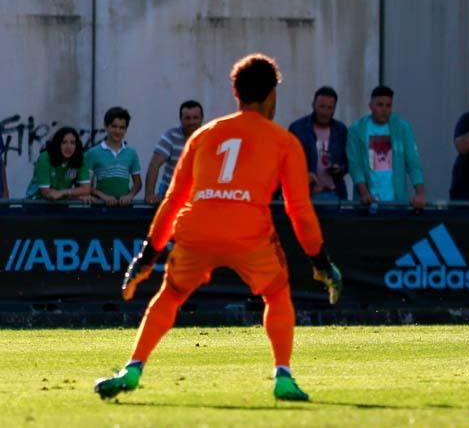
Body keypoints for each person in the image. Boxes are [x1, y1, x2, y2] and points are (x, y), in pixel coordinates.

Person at [94, 54, 343, 402]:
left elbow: (174, 199)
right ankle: (283, 376)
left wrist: (147, 255)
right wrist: (320, 261)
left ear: (235, 94)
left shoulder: (205, 134)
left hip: (196, 228)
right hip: (248, 232)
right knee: (276, 294)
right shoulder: (284, 141)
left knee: (170, 294)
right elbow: (298, 210)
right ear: (272, 94)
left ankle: (133, 367)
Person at [347, 85, 426, 209]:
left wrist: (420, 194)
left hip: (397, 202)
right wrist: (364, 194)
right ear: (371, 106)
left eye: (388, 105)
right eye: (380, 105)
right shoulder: (356, 129)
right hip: (369, 203)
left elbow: (413, 162)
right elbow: (355, 165)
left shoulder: (402, 128)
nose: (384, 109)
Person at [289, 87, 349, 201]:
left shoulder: (341, 130)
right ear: (313, 105)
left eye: (330, 108)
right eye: (322, 106)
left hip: (334, 193)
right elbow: (290, 163)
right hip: (307, 195)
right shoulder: (298, 128)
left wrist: (339, 169)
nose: (325, 112)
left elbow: (348, 162)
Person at [145, 100, 204, 204]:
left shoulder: (208, 137)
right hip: (170, 189)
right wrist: (149, 195)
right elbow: (154, 164)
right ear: (180, 119)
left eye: (195, 118)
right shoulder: (171, 136)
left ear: (201, 119)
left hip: (198, 191)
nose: (191, 122)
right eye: (187, 118)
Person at [86, 107, 142, 206]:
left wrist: (129, 196)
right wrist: (103, 196)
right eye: (114, 126)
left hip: (125, 208)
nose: (118, 131)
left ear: (126, 129)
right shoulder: (92, 153)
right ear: (106, 126)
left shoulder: (131, 153)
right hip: (100, 208)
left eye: (122, 127)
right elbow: (86, 185)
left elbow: (137, 183)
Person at [25, 127, 93, 203]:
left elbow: (86, 190)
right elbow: (46, 193)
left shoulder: (80, 158)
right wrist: (76, 195)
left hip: (62, 202)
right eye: (64, 142)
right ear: (57, 144)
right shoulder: (45, 158)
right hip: (36, 202)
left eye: (72, 143)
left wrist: (63, 192)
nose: (69, 147)